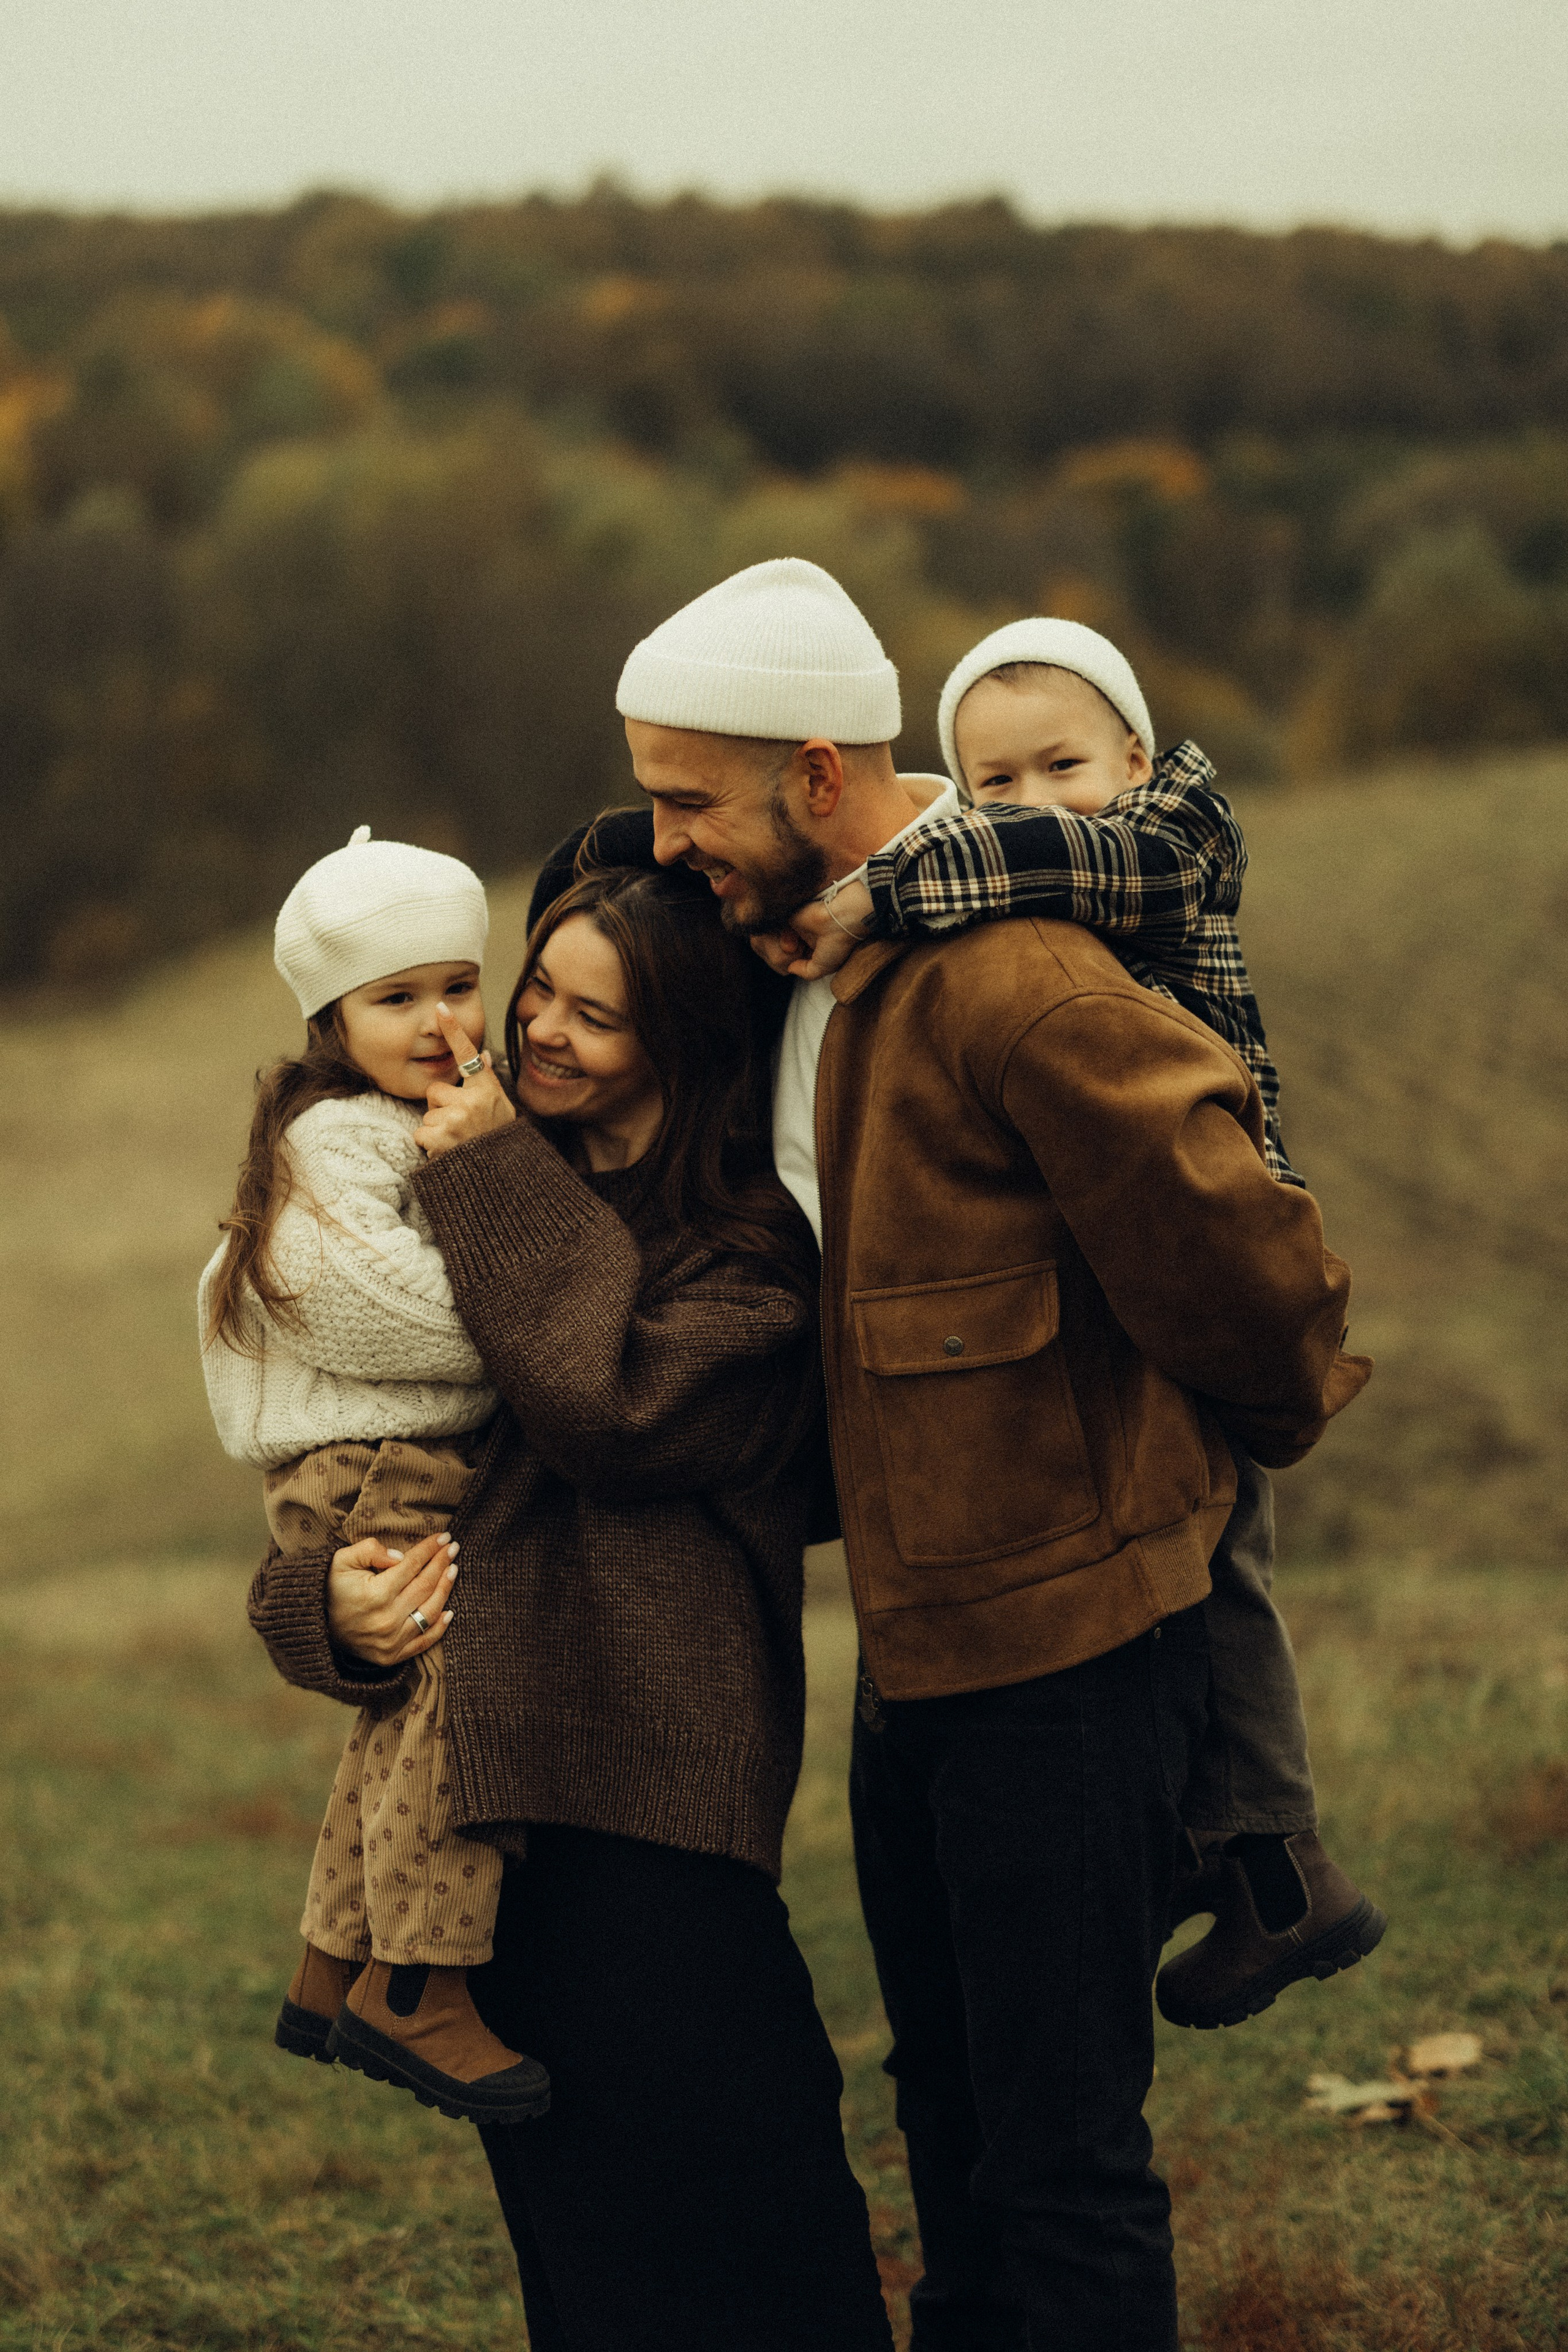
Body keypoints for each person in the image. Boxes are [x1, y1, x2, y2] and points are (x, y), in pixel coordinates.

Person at [612, 557, 1372, 2351]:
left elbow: (1250, 1264)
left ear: (817, 779)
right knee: (948, 2130)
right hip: (917, 1663)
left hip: (1074, 1674)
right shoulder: (800, 952)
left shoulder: (1016, 977)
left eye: (685, 801)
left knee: (1062, 2168)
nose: (662, 846)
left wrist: (1216, 1462)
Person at [245, 856, 894, 2352]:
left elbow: (599, 1408)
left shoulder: (744, 1271)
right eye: (534, 984)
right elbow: (360, 1459)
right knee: (586, 2267)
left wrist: (492, 1179)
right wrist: (318, 1613)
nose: (532, 1029)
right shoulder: (446, 1215)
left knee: (765, 2236)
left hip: (658, 1834)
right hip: (480, 1838)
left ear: (679, 1045)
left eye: (591, 1017)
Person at [750, 614, 1388, 2035]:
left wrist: (887, 884)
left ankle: (1278, 1862)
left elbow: (1055, 857)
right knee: (1206, 1555)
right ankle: (1218, 1850)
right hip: (1127, 1248)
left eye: (1062, 764)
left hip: (1222, 1210)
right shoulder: (995, 875)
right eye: (994, 780)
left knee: (1221, 1559)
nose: (1033, 803)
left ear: (1138, 757)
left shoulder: (1169, 841)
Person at [198, 824, 548, 2124]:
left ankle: (329, 1959)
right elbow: (433, 1326)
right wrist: (497, 1195)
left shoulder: (410, 1118)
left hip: (383, 1459)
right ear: (330, 1020)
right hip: (372, 1470)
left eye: (458, 985)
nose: (438, 1019)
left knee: (397, 1713)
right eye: (394, 998)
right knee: (453, 1698)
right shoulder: (340, 1139)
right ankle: (420, 1982)